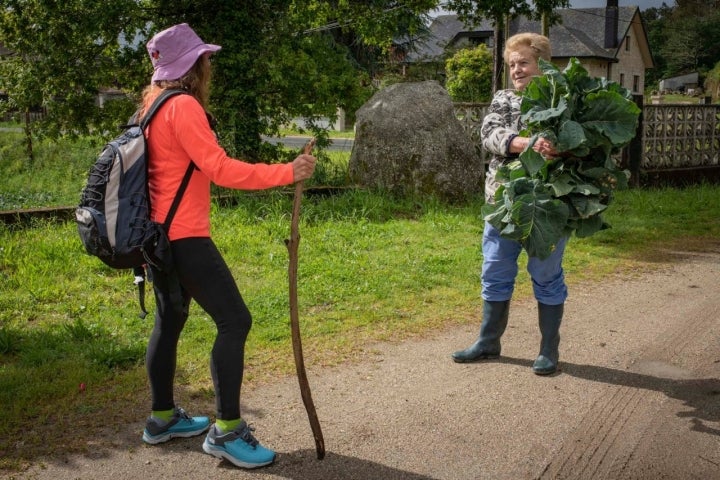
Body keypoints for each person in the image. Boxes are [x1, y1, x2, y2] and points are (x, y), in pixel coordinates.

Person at [137, 23, 316, 469]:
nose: (209, 63)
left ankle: (161, 419)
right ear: (193, 64)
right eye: (205, 56)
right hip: (184, 237)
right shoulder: (183, 107)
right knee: (235, 321)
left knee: (170, 319)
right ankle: (227, 431)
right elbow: (220, 169)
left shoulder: (151, 105)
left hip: (155, 239)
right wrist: (286, 172)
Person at [451, 32, 567, 376]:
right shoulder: (504, 98)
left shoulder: (564, 97)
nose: (516, 70)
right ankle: (489, 342)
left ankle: (548, 349)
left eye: (524, 62)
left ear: (542, 64)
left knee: (546, 275)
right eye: (512, 64)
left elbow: (587, 143)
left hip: (548, 204)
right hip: (502, 202)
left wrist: (561, 148)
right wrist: (526, 142)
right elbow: (489, 135)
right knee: (495, 270)